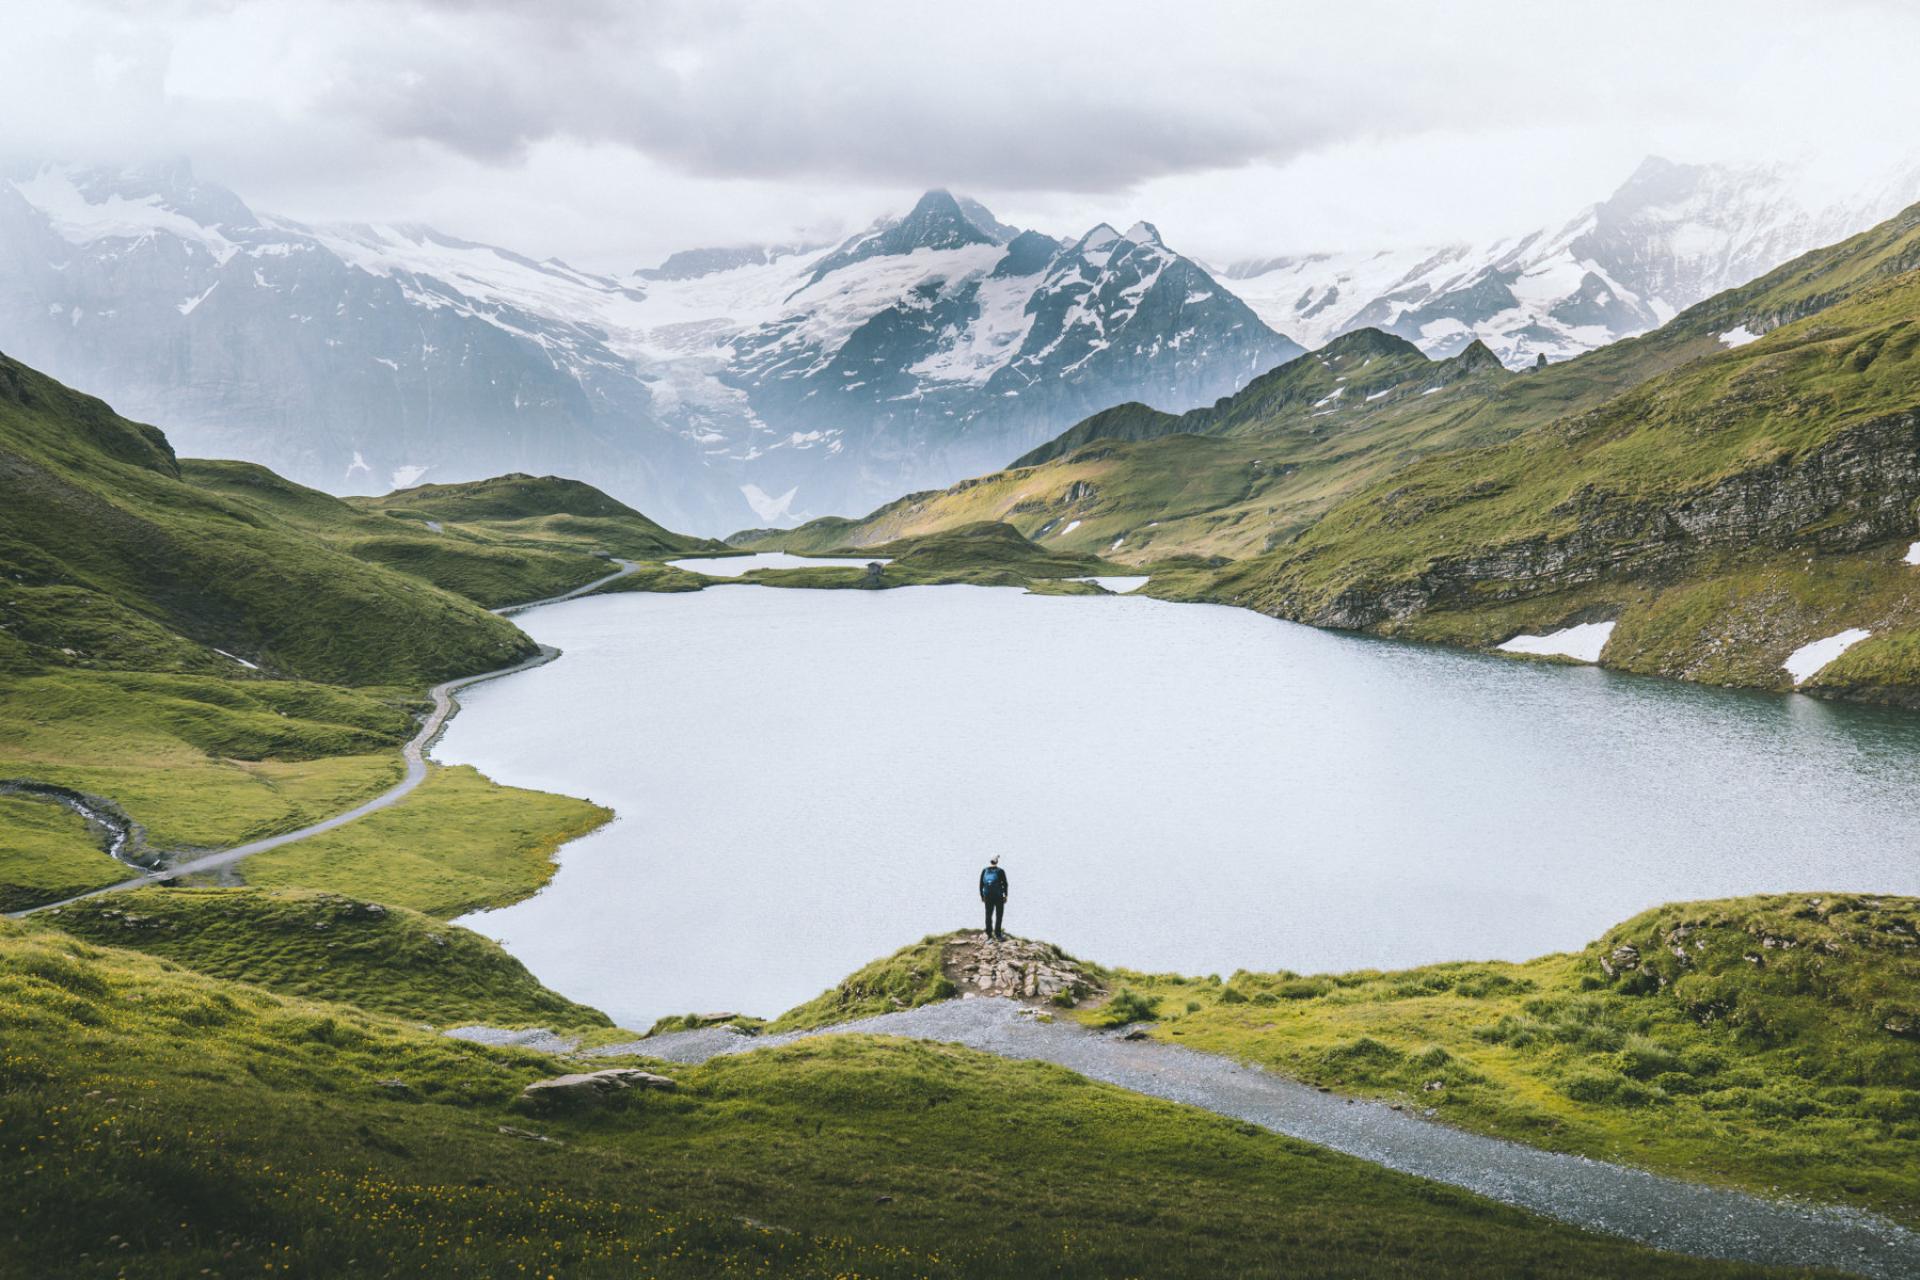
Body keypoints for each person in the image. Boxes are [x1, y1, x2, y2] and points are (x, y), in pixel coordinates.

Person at [978, 856, 1008, 940]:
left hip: (987, 896)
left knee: (988, 914)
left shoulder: (984, 871)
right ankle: (998, 934)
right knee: (999, 914)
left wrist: (982, 895)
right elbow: (1005, 884)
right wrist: (1005, 895)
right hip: (998, 896)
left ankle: (989, 934)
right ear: (997, 862)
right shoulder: (1000, 871)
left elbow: (981, 884)